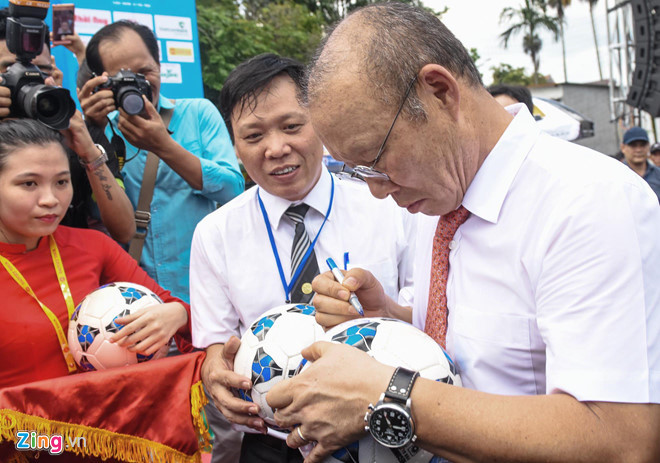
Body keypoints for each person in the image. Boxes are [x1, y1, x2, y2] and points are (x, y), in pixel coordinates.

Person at [266, 3, 660, 462]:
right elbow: (474, 358)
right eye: (356, 172)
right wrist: (388, 318)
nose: (376, 192)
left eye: (376, 158)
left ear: (439, 92)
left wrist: (389, 395)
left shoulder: (589, 203)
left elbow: (621, 440)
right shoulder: (435, 198)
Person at [189, 53, 416, 463]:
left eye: (292, 126)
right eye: (254, 136)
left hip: (379, 434)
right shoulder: (215, 234)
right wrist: (212, 372)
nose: (277, 148)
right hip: (273, 442)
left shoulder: (391, 206)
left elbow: (428, 319)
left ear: (321, 123)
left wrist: (376, 316)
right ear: (235, 144)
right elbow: (215, 344)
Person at [0, 117, 191, 390]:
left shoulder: (93, 246)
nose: (50, 199)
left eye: (62, 182)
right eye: (29, 184)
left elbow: (183, 314)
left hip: (105, 425)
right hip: (22, 432)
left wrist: (176, 315)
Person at [79, 20, 244, 302]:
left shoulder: (198, 113)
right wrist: (92, 130)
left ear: (159, 66)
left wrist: (164, 146)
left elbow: (233, 189)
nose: (138, 84)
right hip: (137, 299)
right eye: (123, 77)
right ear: (102, 82)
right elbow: (95, 212)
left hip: (205, 293)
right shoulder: (101, 130)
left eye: (145, 72)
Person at [0, 8, 136, 244]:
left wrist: (89, 152)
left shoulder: (77, 131)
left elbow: (124, 231)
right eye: (10, 71)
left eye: (40, 71)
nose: (28, 81)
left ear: (54, 71)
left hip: (68, 269)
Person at [620, 126, 660, 202]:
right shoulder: (617, 175)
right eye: (633, 145)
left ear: (648, 146)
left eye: (642, 145)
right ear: (623, 148)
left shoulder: (658, 175)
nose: (638, 150)